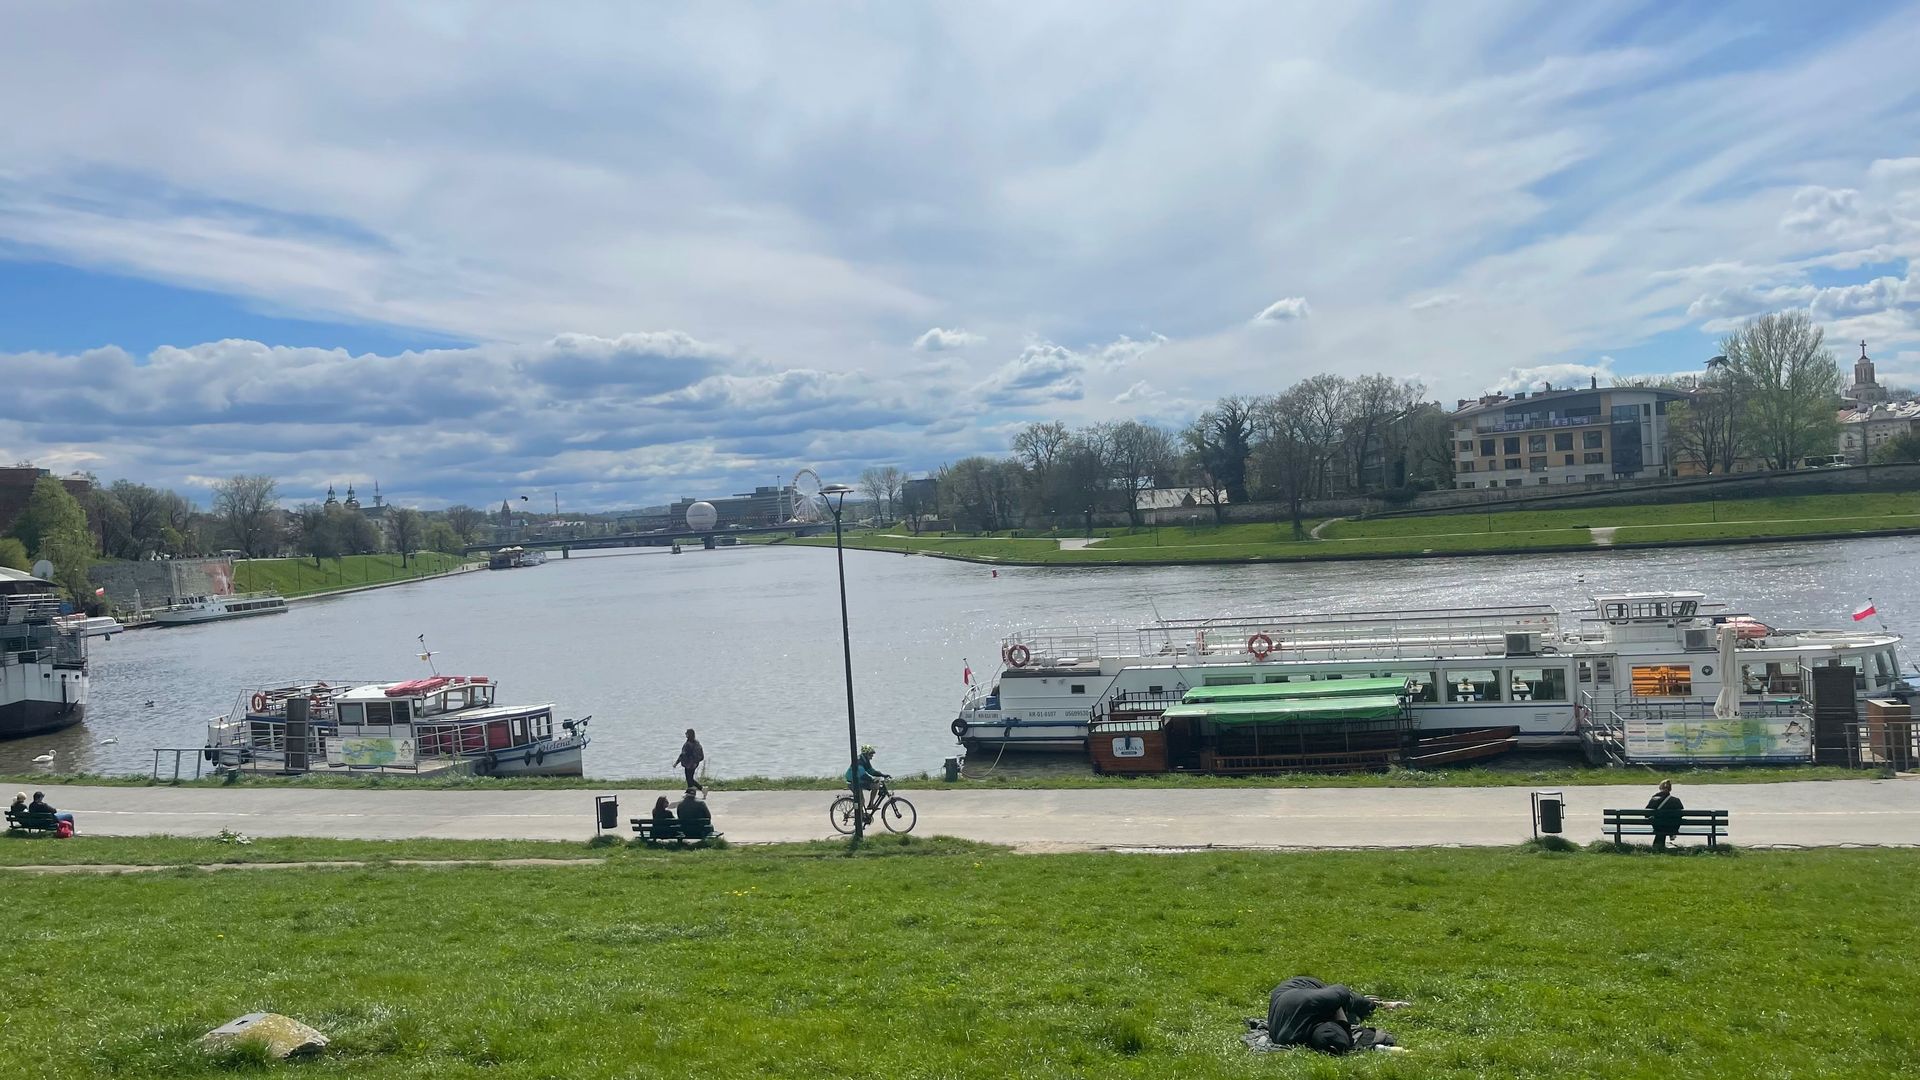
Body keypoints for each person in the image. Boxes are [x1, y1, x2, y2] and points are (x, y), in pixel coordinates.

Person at [1264, 976, 1408, 1055]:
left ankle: (1374, 1004)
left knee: (1349, 1000)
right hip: (1291, 1003)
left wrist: (1338, 1007)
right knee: (1347, 1009)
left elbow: (1341, 990)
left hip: (1301, 984)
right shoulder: (1295, 1038)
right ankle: (1368, 1005)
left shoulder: (1317, 1000)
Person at [844, 745, 890, 810]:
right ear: (866, 754)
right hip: (853, 782)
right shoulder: (859, 761)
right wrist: (872, 779)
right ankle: (859, 818)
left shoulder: (865, 760)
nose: (872, 756)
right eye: (871, 754)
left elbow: (871, 771)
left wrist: (883, 775)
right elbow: (862, 775)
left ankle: (871, 804)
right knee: (861, 801)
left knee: (876, 785)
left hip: (858, 780)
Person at [1647, 779, 1684, 849]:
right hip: (1672, 828)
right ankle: (1670, 837)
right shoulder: (1676, 800)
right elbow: (1681, 813)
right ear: (1670, 789)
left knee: (1658, 821)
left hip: (1658, 827)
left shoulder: (1654, 799)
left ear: (1660, 788)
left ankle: (1657, 846)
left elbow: (1646, 814)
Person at [673, 729, 706, 794]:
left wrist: (676, 762)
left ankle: (701, 789)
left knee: (689, 779)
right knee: (689, 778)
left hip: (690, 764)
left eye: (687, 733)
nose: (685, 734)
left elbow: (683, 754)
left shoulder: (690, 744)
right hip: (691, 764)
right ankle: (690, 791)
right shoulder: (694, 743)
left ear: (689, 734)